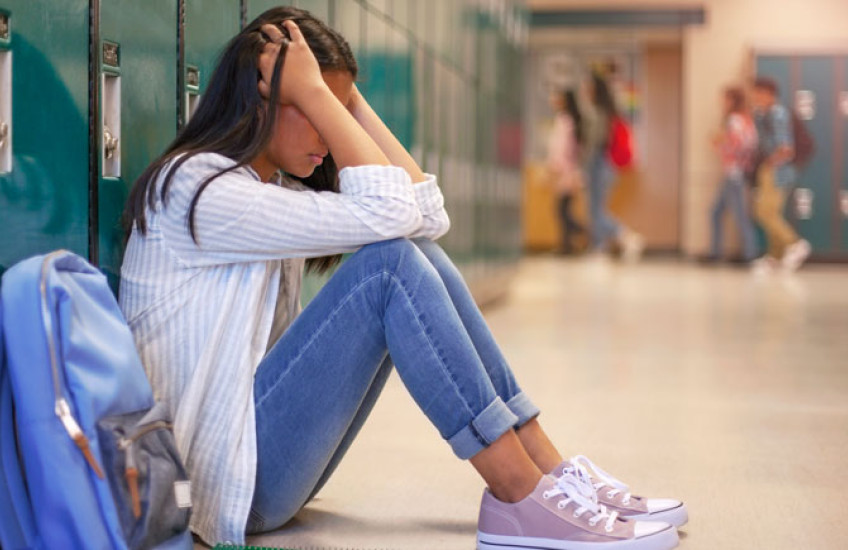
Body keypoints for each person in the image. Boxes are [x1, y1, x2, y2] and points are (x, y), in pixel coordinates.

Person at [120, 8, 685, 549]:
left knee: (415, 254)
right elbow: (392, 217)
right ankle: (518, 493)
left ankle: (549, 473)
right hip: (218, 485)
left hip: (255, 464)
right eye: (317, 111)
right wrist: (319, 92)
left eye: (338, 110)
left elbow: (426, 217)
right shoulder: (199, 189)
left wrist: (343, 97)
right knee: (388, 266)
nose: (328, 132)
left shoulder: (270, 190)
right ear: (264, 94)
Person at [750, 77, 811, 272]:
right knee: (770, 213)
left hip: (777, 170)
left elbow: (786, 149)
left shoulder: (778, 114)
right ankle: (775, 257)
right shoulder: (762, 115)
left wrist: (770, 163)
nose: (755, 97)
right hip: (769, 168)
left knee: (764, 212)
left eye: (758, 93)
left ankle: (794, 243)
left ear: (769, 94)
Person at [584, 73, 644, 261]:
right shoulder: (610, 112)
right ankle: (599, 246)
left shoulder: (599, 112)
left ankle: (626, 235)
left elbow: (596, 141)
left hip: (600, 163)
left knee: (596, 210)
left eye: (588, 87)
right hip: (607, 164)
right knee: (595, 208)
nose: (585, 91)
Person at [708, 87, 758, 263]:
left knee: (739, 214)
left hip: (734, 172)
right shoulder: (747, 120)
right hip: (738, 172)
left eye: (725, 99)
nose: (722, 103)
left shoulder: (734, 120)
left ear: (732, 101)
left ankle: (749, 254)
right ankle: (715, 253)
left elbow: (737, 144)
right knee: (716, 212)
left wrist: (718, 144)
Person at [546, 89, 586, 254]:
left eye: (558, 98)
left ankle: (581, 232)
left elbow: (561, 148)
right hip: (569, 171)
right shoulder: (571, 121)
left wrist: (555, 167)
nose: (554, 100)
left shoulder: (565, 121)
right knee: (563, 210)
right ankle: (567, 245)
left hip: (565, 172)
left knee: (562, 210)